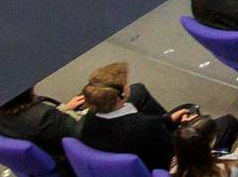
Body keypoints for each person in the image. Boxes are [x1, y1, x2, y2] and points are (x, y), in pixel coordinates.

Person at [76, 63, 207, 170]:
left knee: (183, 109)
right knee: (222, 122)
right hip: (162, 166)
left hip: (131, 167)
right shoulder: (143, 127)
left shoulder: (89, 119)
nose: (129, 86)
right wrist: (184, 126)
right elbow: (173, 150)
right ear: (120, 97)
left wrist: (167, 120)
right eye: (126, 84)